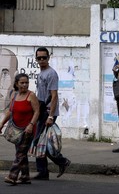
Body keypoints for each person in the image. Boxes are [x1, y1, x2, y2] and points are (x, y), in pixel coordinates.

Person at [33, 47, 71, 180]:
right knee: (39, 142)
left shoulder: (51, 73)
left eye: (44, 57)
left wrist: (50, 115)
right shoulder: (41, 73)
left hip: (48, 112)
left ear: (48, 58)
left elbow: (54, 96)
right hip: (42, 111)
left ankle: (61, 162)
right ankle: (43, 171)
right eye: (39, 58)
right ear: (36, 59)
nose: (42, 60)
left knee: (39, 142)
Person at [0, 73, 40, 185]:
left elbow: (37, 111)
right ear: (17, 84)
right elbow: (10, 111)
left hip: (28, 130)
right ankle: (25, 176)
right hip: (16, 130)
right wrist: (2, 123)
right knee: (20, 152)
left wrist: (31, 125)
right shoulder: (14, 95)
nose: (25, 85)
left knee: (20, 153)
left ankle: (12, 176)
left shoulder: (31, 95)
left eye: (26, 82)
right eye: (22, 83)